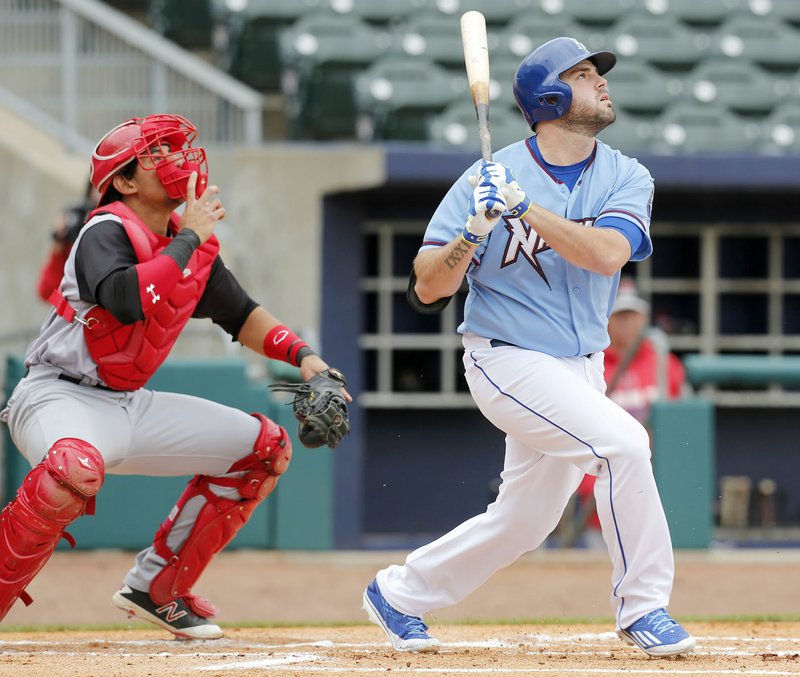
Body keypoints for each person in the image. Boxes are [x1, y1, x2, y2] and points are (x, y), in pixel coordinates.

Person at [361, 38, 695, 658]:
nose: (602, 83)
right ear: (549, 96)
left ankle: (401, 593)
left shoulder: (626, 174)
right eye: (585, 74)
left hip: (581, 365)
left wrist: (525, 208)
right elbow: (429, 285)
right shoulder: (482, 179)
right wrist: (474, 228)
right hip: (506, 357)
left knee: (527, 519)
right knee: (623, 445)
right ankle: (643, 605)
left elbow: (607, 255)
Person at [0, 114, 348, 640]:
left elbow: (242, 315)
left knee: (263, 447)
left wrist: (307, 358)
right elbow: (126, 297)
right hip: (55, 396)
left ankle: (158, 587)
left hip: (126, 405)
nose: (176, 159)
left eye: (174, 148)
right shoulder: (106, 228)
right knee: (72, 470)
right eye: (156, 154)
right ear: (123, 181)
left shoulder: (190, 243)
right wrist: (190, 237)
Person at [563, 278, 687, 548]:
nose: (627, 323)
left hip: (656, 487)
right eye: (620, 316)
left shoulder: (667, 362)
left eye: (633, 315)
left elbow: (682, 431)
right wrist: (587, 486)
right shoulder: (589, 365)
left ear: (644, 318)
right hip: (602, 495)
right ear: (605, 318)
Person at [36, 180, 101, 302]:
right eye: (97, 187)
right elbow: (46, 292)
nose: (101, 194)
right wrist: (59, 245)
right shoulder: (77, 224)